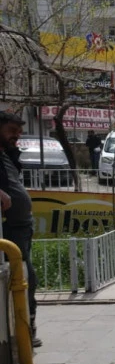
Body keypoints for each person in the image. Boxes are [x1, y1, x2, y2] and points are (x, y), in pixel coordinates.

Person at [0, 112, 40, 348]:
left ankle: (26, 328)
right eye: (12, 130)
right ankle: (21, 332)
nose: (17, 136)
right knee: (24, 276)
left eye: (19, 131)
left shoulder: (6, 154)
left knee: (26, 277)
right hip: (9, 229)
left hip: (21, 226)